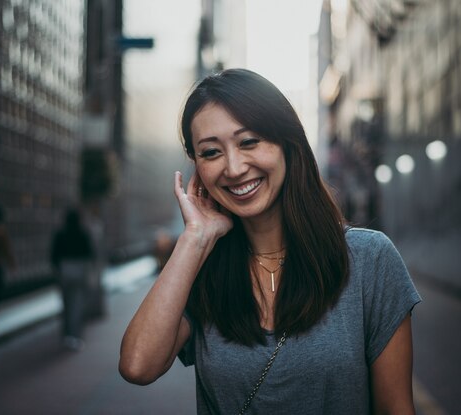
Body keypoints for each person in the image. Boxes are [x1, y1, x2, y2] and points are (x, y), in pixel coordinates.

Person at [119, 68, 421, 414]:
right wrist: (195, 238)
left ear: (287, 145)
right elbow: (137, 365)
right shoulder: (201, 269)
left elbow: (397, 408)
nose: (233, 168)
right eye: (211, 152)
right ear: (197, 168)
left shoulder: (370, 259)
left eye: (249, 142)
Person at [50, 208, 95, 351]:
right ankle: (75, 335)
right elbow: (90, 253)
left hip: (65, 269)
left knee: (65, 303)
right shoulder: (83, 233)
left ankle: (66, 334)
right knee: (77, 303)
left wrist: (58, 269)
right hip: (79, 269)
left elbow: (54, 255)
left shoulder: (60, 234)